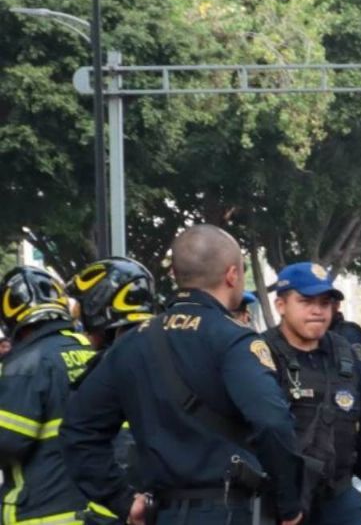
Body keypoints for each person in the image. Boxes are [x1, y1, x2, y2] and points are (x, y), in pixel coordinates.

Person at [60, 224, 303, 525]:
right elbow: (272, 422)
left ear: (175, 276)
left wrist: (121, 500)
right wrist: (289, 506)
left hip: (161, 513)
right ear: (232, 275)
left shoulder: (131, 344)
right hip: (230, 511)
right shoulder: (235, 340)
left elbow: (78, 430)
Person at [263, 262, 361, 525]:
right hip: (282, 503)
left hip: (339, 494)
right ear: (281, 306)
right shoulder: (261, 354)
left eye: (325, 302)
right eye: (306, 301)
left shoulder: (343, 351)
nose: (317, 311)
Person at [0, 266, 97, 524]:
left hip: (43, 511)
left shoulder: (25, 365)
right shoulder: (92, 350)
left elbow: (7, 442)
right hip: (100, 509)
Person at [67, 257, 158, 522]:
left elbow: (79, 436)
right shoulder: (170, 349)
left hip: (126, 512)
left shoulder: (113, 364)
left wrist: (123, 501)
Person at [329, 299, 361, 364]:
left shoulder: (348, 331)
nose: (317, 310)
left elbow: (359, 369)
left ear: (337, 305)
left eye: (324, 303)